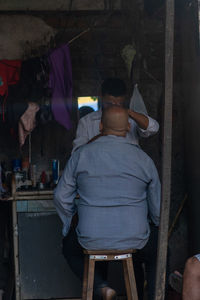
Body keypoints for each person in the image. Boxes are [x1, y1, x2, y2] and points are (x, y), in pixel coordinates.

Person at [54, 106, 161, 300]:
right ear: (128, 127)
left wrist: (71, 220)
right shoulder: (144, 159)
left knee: (69, 248)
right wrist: (154, 222)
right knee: (160, 251)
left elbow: (61, 196)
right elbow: (157, 208)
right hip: (135, 238)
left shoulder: (80, 155)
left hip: (90, 237)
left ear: (101, 126)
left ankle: (100, 286)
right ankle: (154, 296)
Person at [72, 77, 159, 152]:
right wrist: (105, 135)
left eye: (118, 104)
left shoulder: (132, 119)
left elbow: (153, 128)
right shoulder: (87, 121)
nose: (114, 107)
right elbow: (77, 153)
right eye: (109, 104)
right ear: (101, 97)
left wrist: (128, 112)